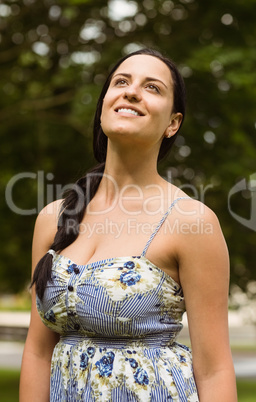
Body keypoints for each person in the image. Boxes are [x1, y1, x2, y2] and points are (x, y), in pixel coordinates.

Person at [20, 48, 237, 401]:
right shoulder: (53, 219)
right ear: (104, 103)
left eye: (152, 88)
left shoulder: (191, 221)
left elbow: (214, 369)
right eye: (121, 81)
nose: (132, 91)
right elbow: (37, 351)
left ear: (173, 123)